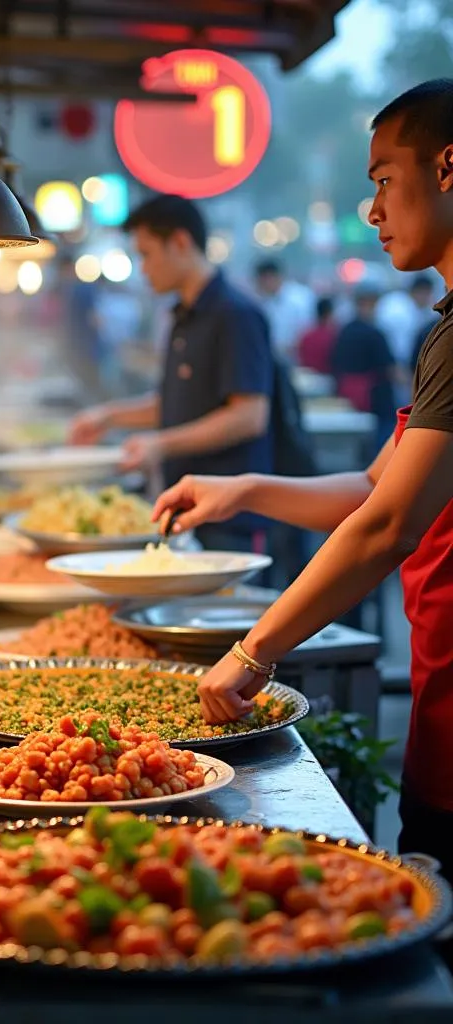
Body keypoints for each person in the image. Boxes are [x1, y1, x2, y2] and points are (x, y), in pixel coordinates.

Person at [152, 79, 453, 878]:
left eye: (385, 180)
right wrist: (242, 487)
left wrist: (255, 652)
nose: (374, 210)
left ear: (448, 166)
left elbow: (389, 527)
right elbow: (370, 489)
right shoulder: (442, 332)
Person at [68, 194, 274, 553]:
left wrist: (159, 444)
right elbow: (176, 402)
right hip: (187, 505)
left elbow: (249, 416)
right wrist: (108, 417)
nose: (142, 268)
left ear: (180, 242)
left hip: (229, 517)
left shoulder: (235, 313)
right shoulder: (182, 314)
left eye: (145, 254)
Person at [330, 284, 400, 455]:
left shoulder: (345, 330)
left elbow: (334, 361)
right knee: (380, 445)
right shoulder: (375, 333)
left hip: (348, 393)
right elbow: (390, 367)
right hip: (376, 395)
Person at [253, 259, 315, 365]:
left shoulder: (300, 298)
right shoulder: (262, 302)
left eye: (262, 281)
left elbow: (309, 329)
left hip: (299, 360)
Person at [296, 296, 339, 374]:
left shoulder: (306, 336)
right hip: (326, 379)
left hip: (307, 379)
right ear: (329, 314)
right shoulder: (333, 336)